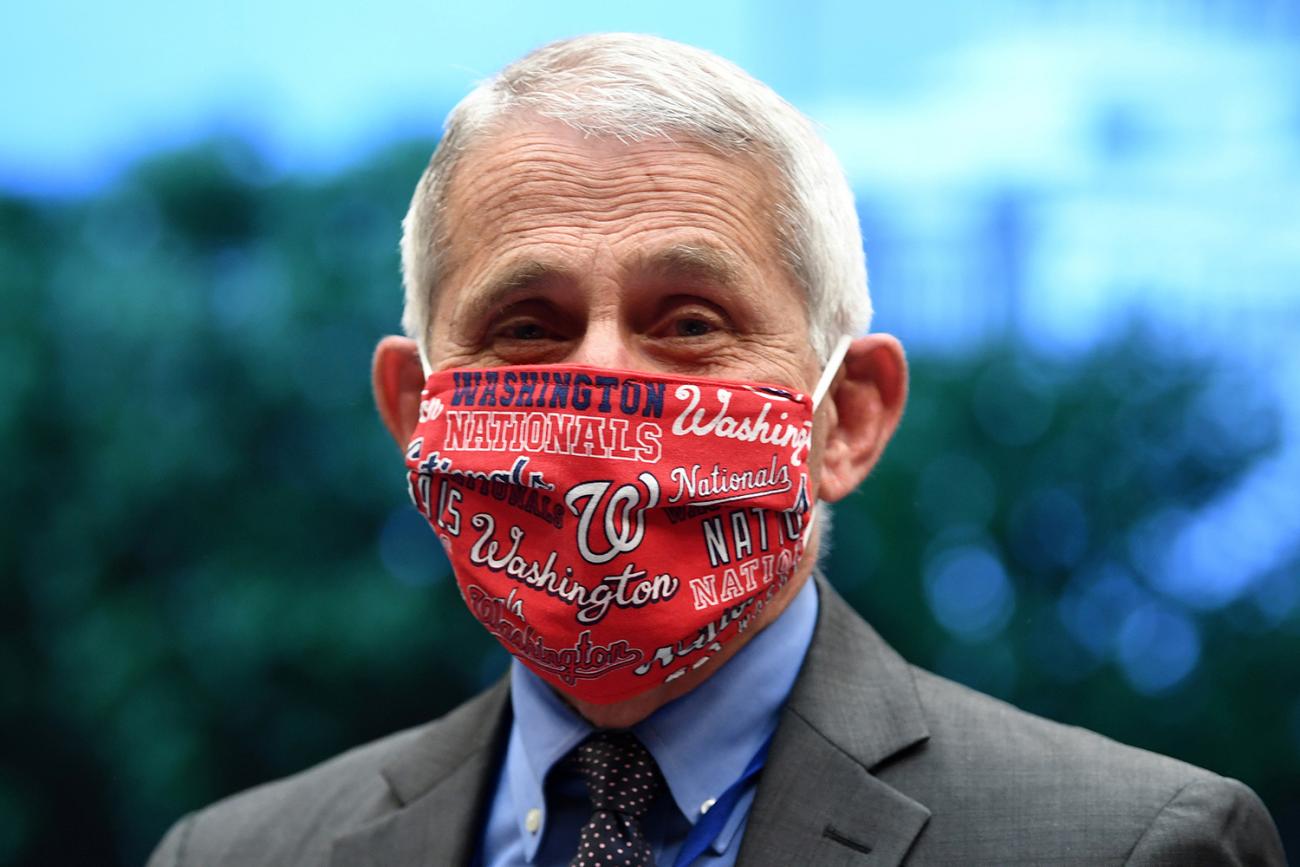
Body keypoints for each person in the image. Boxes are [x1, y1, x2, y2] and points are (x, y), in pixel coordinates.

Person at [148, 33, 1286, 867]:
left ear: (845, 417)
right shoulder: (235, 853)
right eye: (526, 328)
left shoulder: (1132, 846)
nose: (602, 381)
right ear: (413, 415)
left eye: (690, 323)